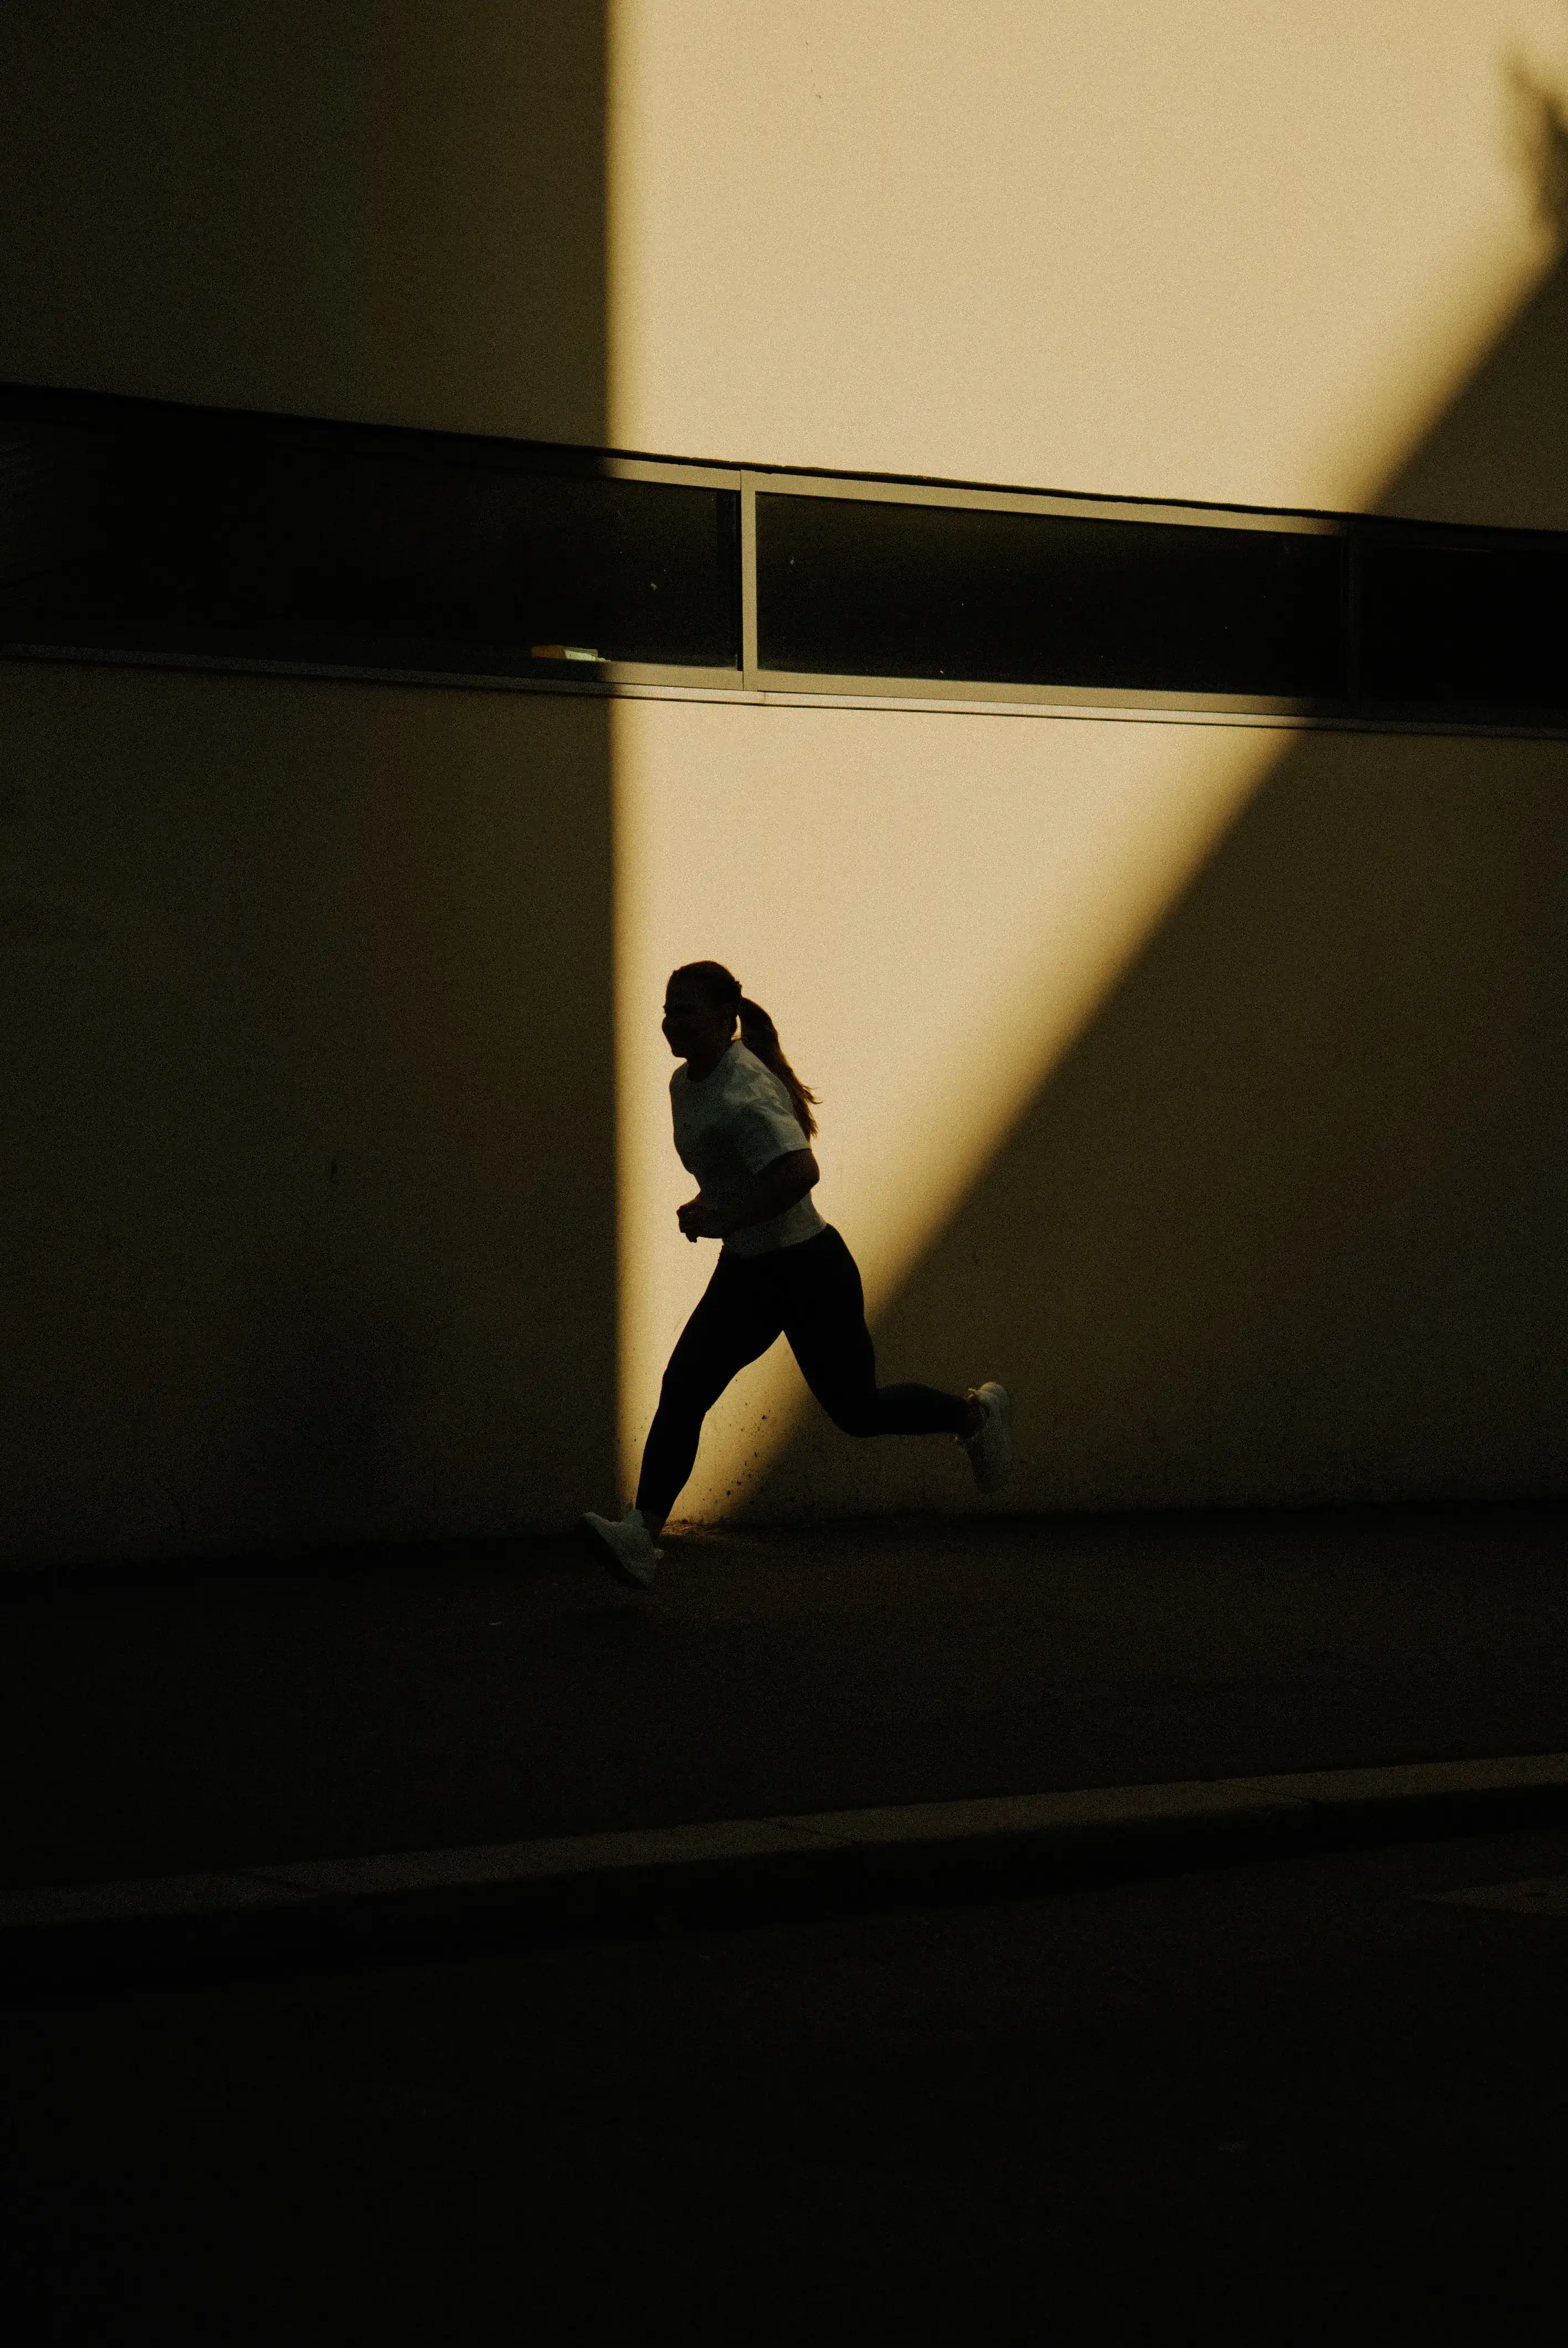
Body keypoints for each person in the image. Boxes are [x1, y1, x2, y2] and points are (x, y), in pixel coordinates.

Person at [580, 960, 1012, 1588]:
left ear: (725, 1019)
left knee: (858, 1411)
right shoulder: (685, 1083)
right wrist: (711, 1205)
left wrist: (728, 1219)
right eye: (666, 1010)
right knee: (685, 1388)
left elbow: (800, 1172)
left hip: (809, 1270)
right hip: (749, 1275)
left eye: (685, 1011)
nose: (670, 1023)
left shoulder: (746, 1089)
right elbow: (741, 1172)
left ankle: (975, 1416)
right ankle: (641, 1538)